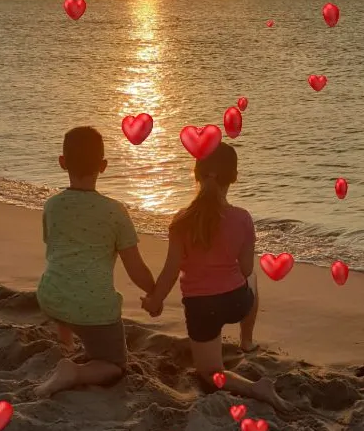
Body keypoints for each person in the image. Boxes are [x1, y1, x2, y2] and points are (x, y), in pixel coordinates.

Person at [141, 142, 289, 412]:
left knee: (211, 373)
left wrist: (155, 301)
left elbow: (171, 270)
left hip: (201, 308)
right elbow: (245, 269)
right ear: (233, 178)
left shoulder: (181, 220)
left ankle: (253, 388)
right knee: (253, 278)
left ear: (196, 174)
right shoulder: (242, 218)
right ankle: (246, 339)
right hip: (235, 302)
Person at [36, 126, 158, 397]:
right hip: (93, 310)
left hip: (51, 297)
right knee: (115, 365)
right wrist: (154, 292)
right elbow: (135, 268)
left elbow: (56, 249)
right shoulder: (114, 212)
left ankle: (66, 343)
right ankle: (75, 371)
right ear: (103, 166)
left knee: (67, 273)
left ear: (62, 162)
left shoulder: (52, 205)